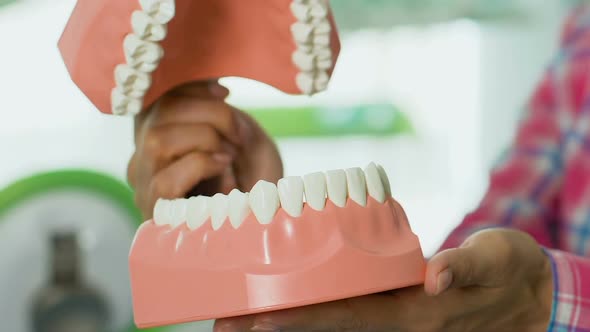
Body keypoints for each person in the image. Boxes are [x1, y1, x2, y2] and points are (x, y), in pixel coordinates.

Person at [126, 5, 590, 331]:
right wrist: (257, 230)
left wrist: (541, 304)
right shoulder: (581, 41)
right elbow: (502, 229)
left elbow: (519, 289)